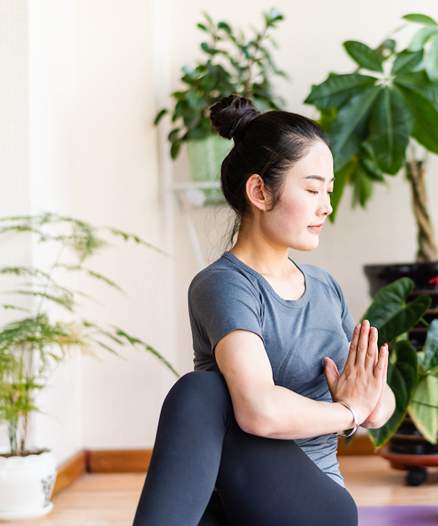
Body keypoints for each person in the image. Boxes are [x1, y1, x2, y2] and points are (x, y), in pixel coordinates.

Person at [133, 95, 395, 525]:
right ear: (259, 191)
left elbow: (379, 403)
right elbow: (260, 410)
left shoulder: (325, 288)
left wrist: (364, 403)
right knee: (203, 393)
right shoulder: (224, 284)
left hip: (318, 507)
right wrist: (347, 412)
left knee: (201, 391)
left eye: (328, 191)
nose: (326, 205)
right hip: (237, 501)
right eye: (312, 189)